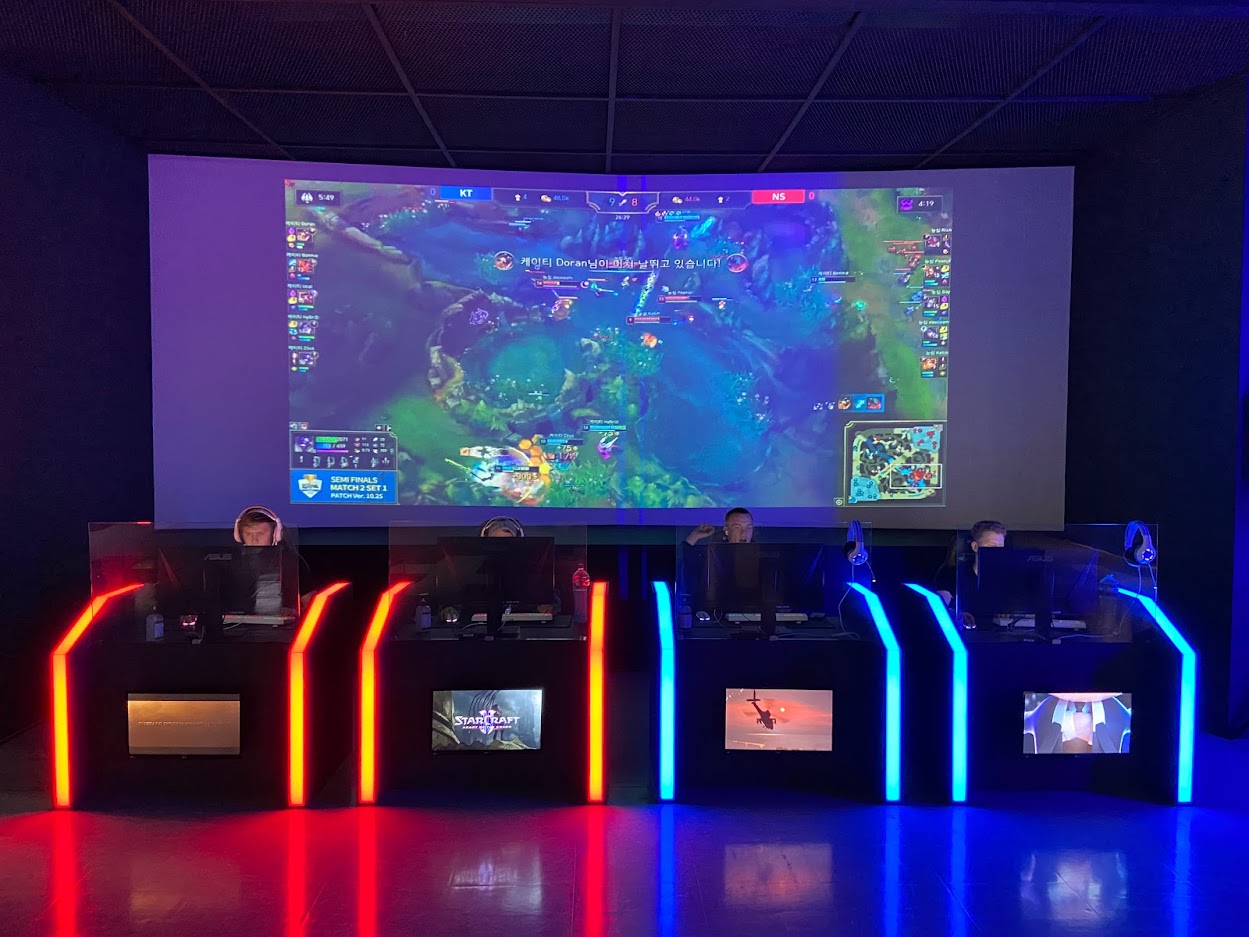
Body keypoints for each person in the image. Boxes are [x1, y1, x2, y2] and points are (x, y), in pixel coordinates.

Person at [934, 519, 1006, 608]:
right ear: (975, 547)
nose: (997, 552)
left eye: (1000, 547)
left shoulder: (1007, 577)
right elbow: (940, 606)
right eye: (992, 546)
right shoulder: (953, 576)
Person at [686, 507, 754, 546]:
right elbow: (682, 559)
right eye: (737, 528)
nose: (744, 533)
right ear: (726, 530)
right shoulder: (714, 554)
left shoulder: (759, 553)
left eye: (748, 528)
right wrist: (695, 535)